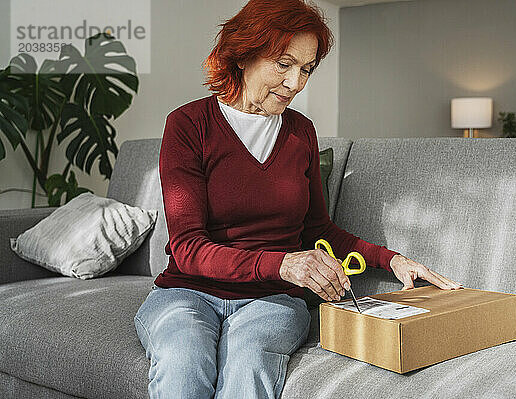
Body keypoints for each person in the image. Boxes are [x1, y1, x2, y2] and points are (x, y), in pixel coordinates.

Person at [133, 0, 463, 398]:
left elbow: (317, 229)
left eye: (306, 69)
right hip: (187, 291)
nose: (296, 83)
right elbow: (187, 248)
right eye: (283, 64)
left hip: (272, 301)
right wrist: (285, 264)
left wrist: (392, 260)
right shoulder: (189, 124)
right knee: (183, 358)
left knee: (250, 360)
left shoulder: (300, 132)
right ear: (243, 55)